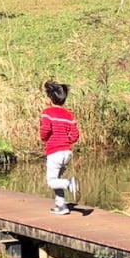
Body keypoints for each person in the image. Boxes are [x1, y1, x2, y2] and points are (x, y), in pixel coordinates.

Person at [40, 81, 80, 215]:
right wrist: (66, 140)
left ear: (50, 98)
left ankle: (69, 184)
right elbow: (75, 135)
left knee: (52, 181)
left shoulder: (48, 113)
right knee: (57, 178)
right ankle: (61, 206)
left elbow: (45, 129)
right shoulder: (69, 115)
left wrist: (43, 138)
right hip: (66, 152)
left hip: (54, 151)